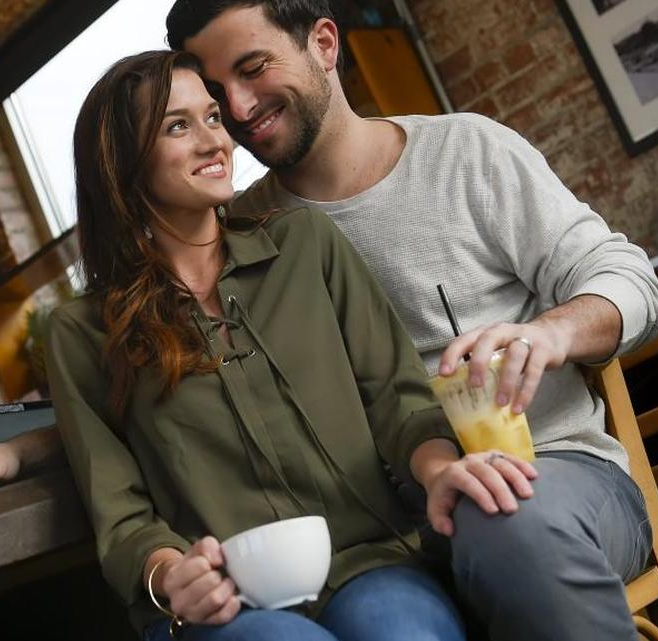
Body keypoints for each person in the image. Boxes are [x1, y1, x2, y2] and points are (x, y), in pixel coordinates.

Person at [0, 2, 658, 639]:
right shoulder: (253, 227)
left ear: (323, 44)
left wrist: (550, 334)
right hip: (403, 528)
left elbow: (632, 282)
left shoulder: (461, 155)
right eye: (212, 99)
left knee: (496, 529)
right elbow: (153, 405)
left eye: (251, 70)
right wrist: (23, 450)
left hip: (536, 479)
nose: (235, 114)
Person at [42, 49, 533, 641]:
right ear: (122, 164)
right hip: (225, 606)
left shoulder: (306, 245)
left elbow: (399, 400)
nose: (213, 141)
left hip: (369, 562)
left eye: (213, 118)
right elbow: (121, 518)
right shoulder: (81, 334)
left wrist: (440, 471)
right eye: (177, 126)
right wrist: (173, 577)